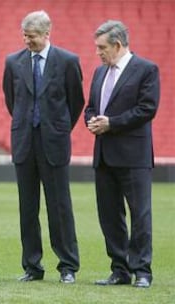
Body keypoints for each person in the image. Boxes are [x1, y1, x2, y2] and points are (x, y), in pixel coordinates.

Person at [2, 11, 84, 284]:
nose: (27, 41)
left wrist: (57, 128)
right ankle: (32, 266)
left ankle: (68, 266)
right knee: (28, 208)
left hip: (54, 143)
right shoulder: (13, 62)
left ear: (47, 34)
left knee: (59, 206)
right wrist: (28, 124)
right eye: (24, 35)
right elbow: (11, 101)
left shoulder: (68, 61)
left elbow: (76, 102)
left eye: (32, 36)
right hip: (24, 142)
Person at [85, 20, 160, 288]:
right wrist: (91, 120)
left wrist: (111, 123)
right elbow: (91, 107)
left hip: (133, 156)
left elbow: (147, 108)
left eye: (102, 47)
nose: (98, 52)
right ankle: (119, 269)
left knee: (140, 214)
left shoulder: (146, 69)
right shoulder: (98, 72)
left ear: (117, 45)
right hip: (104, 155)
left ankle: (142, 271)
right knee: (109, 215)